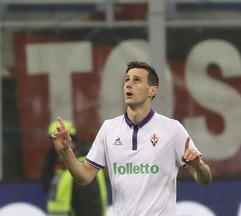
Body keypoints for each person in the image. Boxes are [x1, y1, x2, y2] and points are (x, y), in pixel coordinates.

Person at [51, 61, 212, 216]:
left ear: (152, 91)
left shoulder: (172, 129)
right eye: (127, 80)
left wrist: (198, 166)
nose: (128, 84)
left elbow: (205, 179)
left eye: (137, 80)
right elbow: (84, 177)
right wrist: (66, 152)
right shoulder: (109, 129)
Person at [42, 120, 108, 216]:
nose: (56, 145)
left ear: (70, 140)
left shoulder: (84, 165)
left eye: (61, 139)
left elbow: (90, 206)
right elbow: (46, 184)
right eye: (54, 141)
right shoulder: (62, 166)